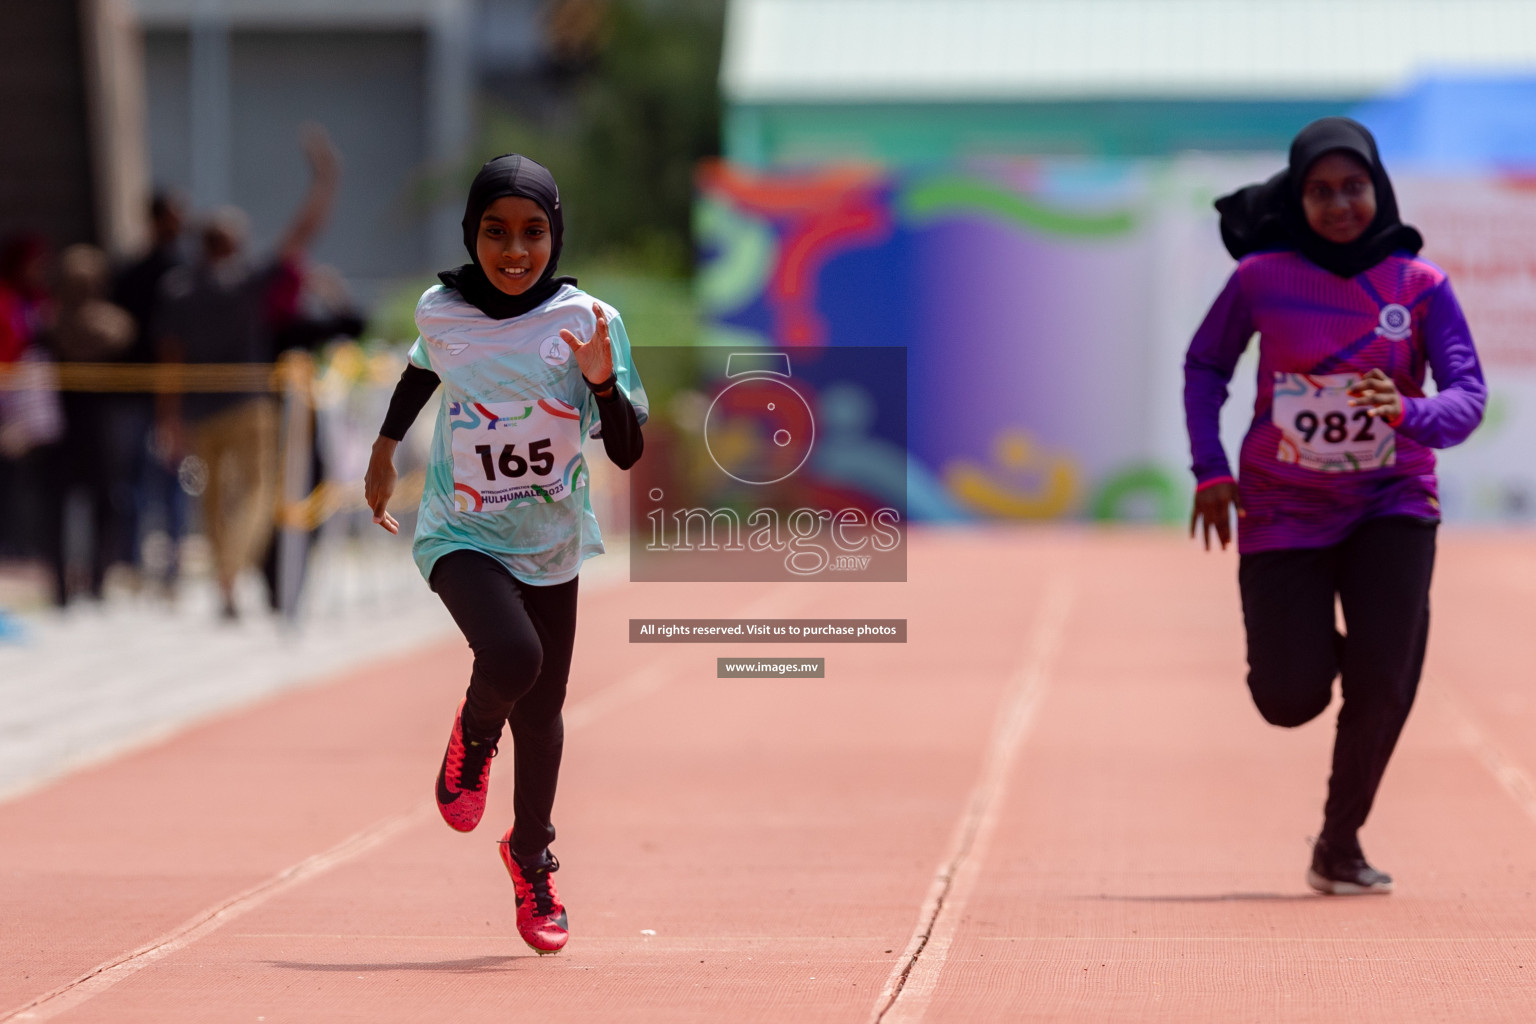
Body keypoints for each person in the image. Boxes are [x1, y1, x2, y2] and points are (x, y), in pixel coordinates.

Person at [1185, 118, 1486, 895]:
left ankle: (1339, 840)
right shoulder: (1260, 277)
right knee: (1289, 698)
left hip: (1393, 499)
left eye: (1353, 187)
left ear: (1378, 188)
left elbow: (1467, 398)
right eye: (1321, 192)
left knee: (1384, 680)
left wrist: (1407, 412)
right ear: (1299, 197)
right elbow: (1205, 364)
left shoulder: (1421, 287)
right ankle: (1383, 662)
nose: (1341, 204)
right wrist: (1210, 470)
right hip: (1284, 506)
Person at [363, 154, 646, 954]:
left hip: (549, 539)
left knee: (546, 714)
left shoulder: (590, 321)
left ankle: (530, 859)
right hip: (461, 531)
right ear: (471, 234)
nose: (514, 250)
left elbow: (626, 452)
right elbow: (423, 368)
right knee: (512, 656)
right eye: (496, 232)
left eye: (532, 232)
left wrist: (600, 384)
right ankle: (474, 736)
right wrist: (385, 450)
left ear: (556, 236)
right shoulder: (440, 310)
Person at [158, 125, 340, 620]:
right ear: (234, 243)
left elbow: (170, 360)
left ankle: (225, 575)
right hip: (248, 404)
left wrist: (169, 418)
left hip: (200, 409)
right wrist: (325, 178)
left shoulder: (179, 290)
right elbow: (302, 234)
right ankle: (231, 571)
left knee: (211, 500)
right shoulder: (246, 283)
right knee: (257, 492)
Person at [113, 191, 188, 594]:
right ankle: (135, 565)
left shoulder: (184, 270)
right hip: (139, 390)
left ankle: (169, 568)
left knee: (175, 480)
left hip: (175, 390)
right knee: (137, 482)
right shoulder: (138, 273)